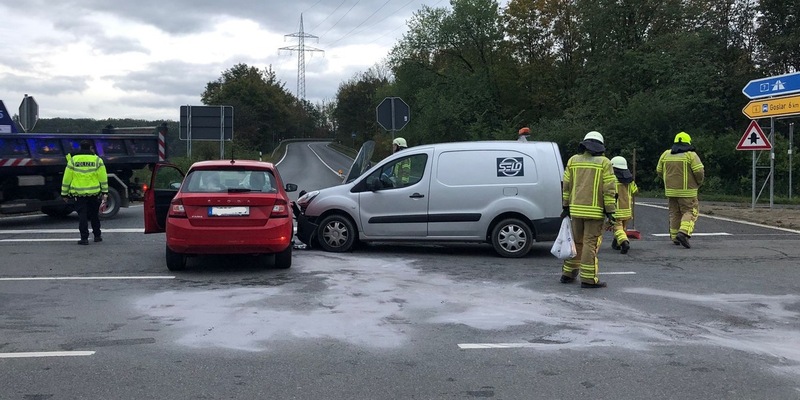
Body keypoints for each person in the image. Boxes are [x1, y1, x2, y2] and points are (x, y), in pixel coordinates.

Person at [560, 131, 617, 288]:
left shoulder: (573, 160)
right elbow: (609, 189)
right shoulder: (604, 163)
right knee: (589, 244)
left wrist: (565, 206)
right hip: (595, 211)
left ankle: (568, 273)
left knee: (576, 242)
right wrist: (611, 212)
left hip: (575, 210)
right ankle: (588, 279)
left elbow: (566, 185)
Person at [656, 131, 704, 248]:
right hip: (688, 192)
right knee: (690, 212)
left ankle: (675, 238)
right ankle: (683, 232)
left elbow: (659, 171)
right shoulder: (691, 155)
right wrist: (698, 182)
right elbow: (699, 171)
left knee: (674, 213)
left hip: (671, 191)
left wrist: (668, 181)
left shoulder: (666, 154)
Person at [61, 140, 109, 245]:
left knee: (82, 216)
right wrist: (105, 192)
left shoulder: (73, 160)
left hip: (79, 194)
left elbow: (66, 178)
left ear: (80, 148)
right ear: (90, 148)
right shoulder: (97, 160)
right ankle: (97, 236)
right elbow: (103, 177)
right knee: (94, 215)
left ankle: (84, 238)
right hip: (94, 193)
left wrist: (64, 194)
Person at [609, 156, 639, 254]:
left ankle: (624, 242)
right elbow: (635, 191)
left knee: (617, 228)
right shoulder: (629, 179)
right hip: (627, 210)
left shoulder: (611, 178)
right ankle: (617, 243)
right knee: (623, 228)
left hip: (616, 210)